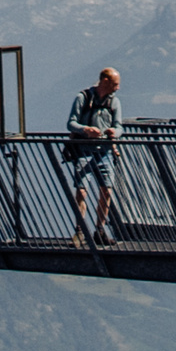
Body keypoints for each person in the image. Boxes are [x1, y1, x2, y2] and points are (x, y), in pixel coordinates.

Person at [65, 67, 122, 245]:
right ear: (105, 81)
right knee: (82, 190)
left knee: (106, 190)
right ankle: (80, 230)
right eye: (115, 84)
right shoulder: (83, 98)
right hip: (84, 150)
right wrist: (86, 130)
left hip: (104, 151)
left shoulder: (114, 102)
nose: (117, 88)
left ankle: (100, 230)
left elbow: (120, 126)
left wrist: (115, 132)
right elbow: (71, 123)